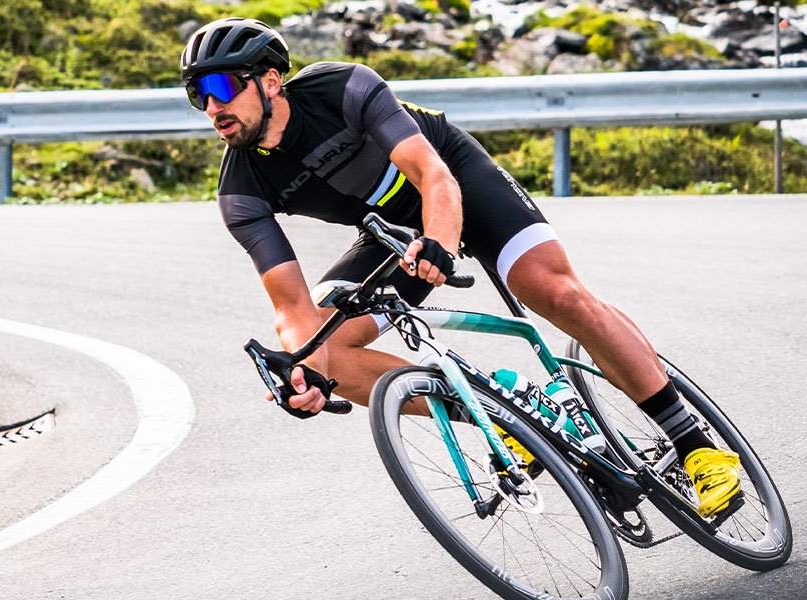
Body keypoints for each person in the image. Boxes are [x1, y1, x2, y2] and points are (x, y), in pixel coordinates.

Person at [180, 17, 741, 517]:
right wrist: (302, 371)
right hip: (391, 232)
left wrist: (441, 242)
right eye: (196, 96)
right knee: (327, 349)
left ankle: (695, 445)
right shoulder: (241, 193)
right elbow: (291, 306)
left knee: (555, 293)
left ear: (270, 79)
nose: (211, 107)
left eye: (221, 87)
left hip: (455, 180)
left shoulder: (341, 86)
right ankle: (511, 415)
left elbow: (432, 174)